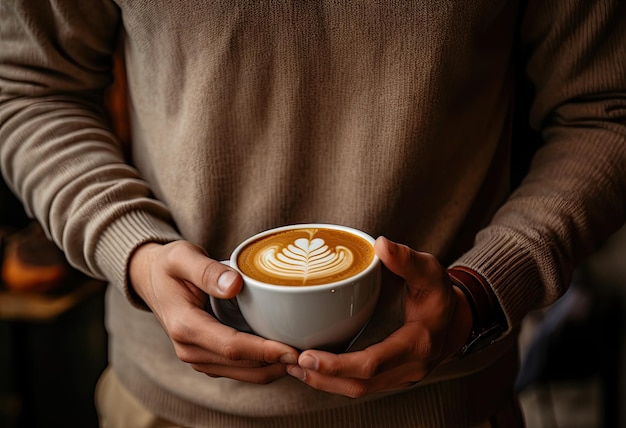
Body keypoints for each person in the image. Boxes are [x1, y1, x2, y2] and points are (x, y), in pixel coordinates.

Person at [1, 1, 625, 426]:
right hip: (168, 407)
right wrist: (132, 249)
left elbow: (604, 110)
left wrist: (483, 291)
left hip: (447, 404)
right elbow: (29, 87)